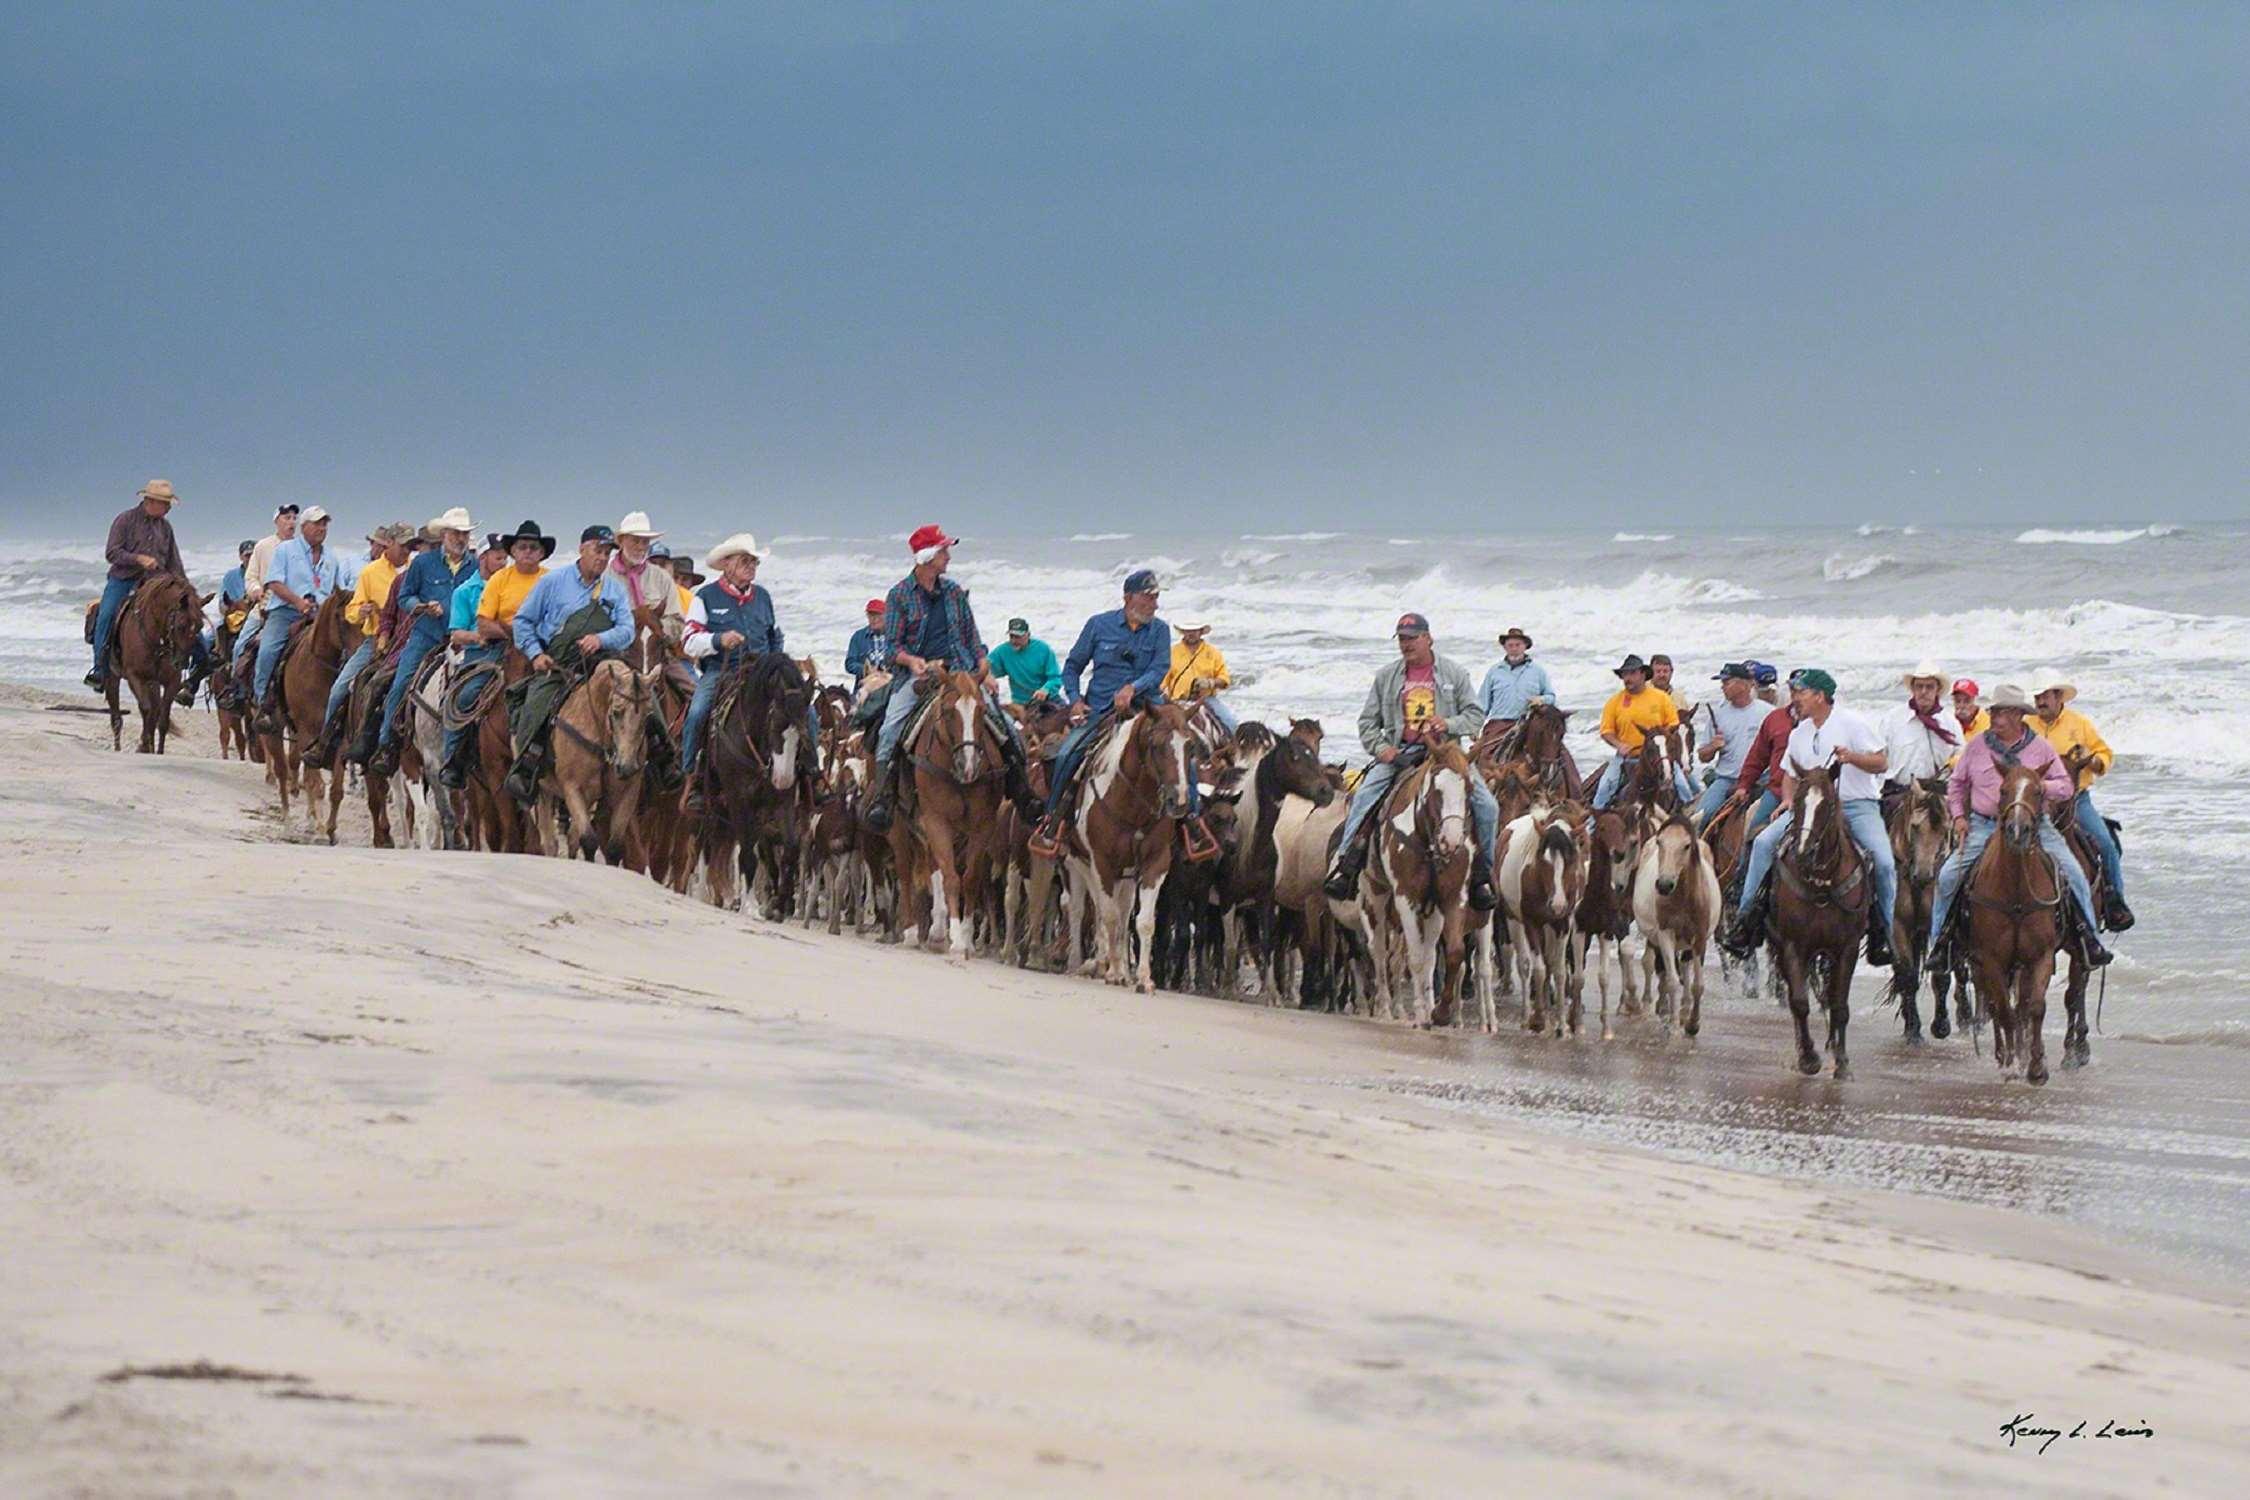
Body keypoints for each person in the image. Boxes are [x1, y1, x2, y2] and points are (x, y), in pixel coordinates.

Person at [862, 525, 1038, 831]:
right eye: (943, 550)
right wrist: (912, 661)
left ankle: (1022, 794)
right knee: (890, 727)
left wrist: (984, 665)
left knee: (1004, 725)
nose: (948, 556)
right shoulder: (900, 595)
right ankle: (884, 799)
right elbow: (892, 648)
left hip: (962, 675)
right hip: (918, 678)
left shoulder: (955, 592)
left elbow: (973, 637)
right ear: (927, 556)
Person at [1320, 612, 1499, 910]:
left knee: (1487, 806)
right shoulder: (1386, 677)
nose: (1406, 644)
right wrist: (1382, 750)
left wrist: (1449, 724)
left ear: (1428, 638)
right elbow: (1367, 722)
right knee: (1365, 796)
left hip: (1445, 754)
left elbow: (1475, 715)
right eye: (1402, 639)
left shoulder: (1454, 673)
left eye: (1412, 638)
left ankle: (1482, 874)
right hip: (1400, 753)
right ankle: (1345, 865)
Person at [1921, 683, 2109, 965]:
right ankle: (1941, 945)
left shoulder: (2041, 748)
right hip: (1985, 825)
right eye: (1994, 712)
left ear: (2019, 716)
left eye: (2003, 713)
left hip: (2036, 826)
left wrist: (2038, 786)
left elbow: (2065, 788)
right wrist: (1959, 817)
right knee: (1948, 876)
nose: (1995, 718)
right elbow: (1957, 785)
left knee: (2074, 872)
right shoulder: (1976, 747)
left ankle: (2088, 939)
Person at [1719, 668, 1896, 965]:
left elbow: (1881, 762)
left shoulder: (1852, 723)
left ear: (1820, 696)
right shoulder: (1799, 732)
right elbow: (1789, 774)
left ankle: (1886, 934)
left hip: (1855, 804)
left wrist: (1851, 757)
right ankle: (1746, 922)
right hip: (1809, 808)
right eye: (1794, 692)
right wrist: (1788, 799)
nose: (1794, 698)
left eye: (1800, 692)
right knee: (1763, 843)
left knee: (1884, 860)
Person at [1031, 570, 1178, 843]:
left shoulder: (1160, 630)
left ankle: (1190, 819)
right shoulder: (1098, 625)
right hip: (1101, 712)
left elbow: (1160, 668)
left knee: (1182, 749)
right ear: (1128, 598)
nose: (1155, 604)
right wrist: (1075, 700)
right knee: (1066, 755)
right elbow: (1073, 666)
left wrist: (1134, 687)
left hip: (1147, 711)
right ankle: (1053, 819)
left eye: (1156, 598)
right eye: (1148, 598)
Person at [500, 525, 637, 800]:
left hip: (603, 662)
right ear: (582, 549)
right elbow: (523, 621)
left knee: (641, 695)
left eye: (607, 552)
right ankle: (526, 767)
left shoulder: (614, 589)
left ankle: (663, 755)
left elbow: (627, 630)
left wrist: (601, 639)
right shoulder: (552, 582)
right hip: (559, 663)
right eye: (598, 550)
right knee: (536, 703)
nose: (602, 557)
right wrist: (536, 654)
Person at [364, 508, 481, 772]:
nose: (461, 539)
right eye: (456, 533)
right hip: (426, 636)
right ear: (444, 535)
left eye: (465, 534)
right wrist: (421, 606)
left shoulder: (476, 566)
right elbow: (404, 596)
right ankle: (386, 745)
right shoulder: (422, 564)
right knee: (400, 682)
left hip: (464, 639)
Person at [440, 520, 552, 787]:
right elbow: (483, 623)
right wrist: (514, 633)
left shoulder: (551, 579)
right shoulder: (499, 580)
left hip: (543, 648)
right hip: (497, 649)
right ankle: (455, 758)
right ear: (514, 551)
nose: (527, 551)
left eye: (533, 547)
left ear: (541, 552)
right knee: (466, 694)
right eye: (522, 546)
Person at [679, 533, 787, 798]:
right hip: (721, 670)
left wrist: (776, 665)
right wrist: (718, 639)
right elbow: (688, 641)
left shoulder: (763, 597)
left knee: (801, 711)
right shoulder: (705, 597)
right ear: (726, 564)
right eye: (745, 561)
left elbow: (774, 636)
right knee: (697, 713)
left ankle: (810, 775)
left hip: (762, 672)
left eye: (754, 561)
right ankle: (691, 776)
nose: (751, 566)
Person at [2029, 668, 2133, 929]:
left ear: (2058, 697)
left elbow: (2105, 755)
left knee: (2107, 845)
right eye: (2037, 696)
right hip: (2035, 799)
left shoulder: (2080, 724)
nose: (2040, 701)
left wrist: (2094, 760)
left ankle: (2114, 902)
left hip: (2076, 801)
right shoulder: (2026, 725)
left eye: (2045, 696)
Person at [311, 521, 413, 757]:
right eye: (403, 545)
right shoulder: (370, 573)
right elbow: (351, 611)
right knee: (339, 689)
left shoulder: (416, 569)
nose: (407, 550)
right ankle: (326, 743)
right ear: (389, 544)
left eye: (410, 546)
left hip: (410, 640)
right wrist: (362, 611)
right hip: (375, 641)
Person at [86, 479, 195, 691]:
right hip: (123, 579)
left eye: (168, 503)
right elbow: (112, 552)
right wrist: (138, 559)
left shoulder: (165, 527)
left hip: (155, 583)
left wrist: (186, 589)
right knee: (106, 615)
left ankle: (195, 664)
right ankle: (99, 669)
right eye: (165, 503)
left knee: (186, 617)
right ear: (150, 501)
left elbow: (174, 562)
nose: (168, 508)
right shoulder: (124, 520)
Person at [252, 505, 341, 728]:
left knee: (345, 648)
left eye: (325, 524)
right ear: (304, 527)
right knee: (268, 650)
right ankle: (263, 701)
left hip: (320, 615)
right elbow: (274, 582)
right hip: (286, 611)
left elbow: (336, 589)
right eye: (317, 523)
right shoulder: (286, 550)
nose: (322, 528)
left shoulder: (332, 557)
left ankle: (343, 704)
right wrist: (298, 602)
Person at [1590, 654, 1695, 810]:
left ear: (1643, 674)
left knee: (1683, 787)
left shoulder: (1661, 698)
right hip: (1628, 756)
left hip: (1659, 755)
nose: (1627, 678)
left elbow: (1673, 725)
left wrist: (1659, 740)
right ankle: (1593, 825)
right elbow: (1606, 731)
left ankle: (1690, 820)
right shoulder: (1614, 702)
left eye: (1632, 673)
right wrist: (1618, 745)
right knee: (1605, 788)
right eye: (1625, 674)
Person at [608, 511, 688, 677]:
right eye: (635, 540)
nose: (640, 546)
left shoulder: (661, 577)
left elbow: (678, 621)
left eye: (645, 542)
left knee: (691, 691)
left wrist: (657, 629)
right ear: (622, 541)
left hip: (657, 654)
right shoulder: (605, 578)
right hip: (613, 655)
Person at [229, 504, 300, 689]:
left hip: (296, 608)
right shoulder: (263, 546)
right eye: (287, 518)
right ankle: (237, 691)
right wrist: (255, 590)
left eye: (294, 518)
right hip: (265, 606)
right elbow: (250, 576)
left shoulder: (303, 548)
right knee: (240, 645)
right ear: (276, 521)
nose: (291, 522)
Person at [1692, 663, 1769, 826]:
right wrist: (1713, 747)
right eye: (1722, 683)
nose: (1722, 687)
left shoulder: (1767, 713)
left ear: (1744, 684)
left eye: (1727, 682)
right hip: (1727, 779)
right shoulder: (1719, 714)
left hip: (1762, 779)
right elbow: (1702, 756)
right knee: (1702, 817)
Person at [1879, 659, 1963, 800]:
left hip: (1938, 795)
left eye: (1929, 687)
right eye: (1919, 686)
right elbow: (1880, 758)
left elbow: (1962, 758)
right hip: (1898, 794)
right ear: (1913, 689)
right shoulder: (1892, 719)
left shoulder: (1950, 723)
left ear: (1937, 690)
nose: (1924, 692)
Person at [1476, 626, 1556, 737]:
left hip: (1529, 723)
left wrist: (1541, 699)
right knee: (1482, 751)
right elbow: (1482, 703)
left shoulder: (1538, 671)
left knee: (1555, 751)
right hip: (1499, 723)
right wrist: (1475, 727)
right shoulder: (1494, 671)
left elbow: (1551, 697)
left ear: (1525, 647)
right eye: (1510, 645)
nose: (1514, 649)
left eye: (1518, 645)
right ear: (1505, 647)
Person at [1161, 619, 1236, 731]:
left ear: (1201, 632)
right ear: (1182, 632)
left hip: (1207, 700)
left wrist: (1210, 683)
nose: (1191, 634)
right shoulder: (1171, 652)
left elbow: (1224, 679)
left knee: (1230, 722)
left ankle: (1231, 747)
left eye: (1194, 630)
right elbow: (1162, 680)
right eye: (1187, 631)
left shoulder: (1213, 652)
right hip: (1178, 700)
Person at [986, 616, 1064, 706]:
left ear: (1028, 634)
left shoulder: (1043, 650)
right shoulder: (1002, 651)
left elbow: (1056, 678)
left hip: (1048, 700)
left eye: (1018, 637)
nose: (1014, 640)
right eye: (1012, 636)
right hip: (1021, 704)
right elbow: (984, 667)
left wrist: (1046, 689)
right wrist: (988, 676)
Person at [842, 599, 889, 682]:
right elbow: (850, 664)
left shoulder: (895, 635)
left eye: (878, 615)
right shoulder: (858, 637)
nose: (874, 619)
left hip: (890, 681)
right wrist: (866, 669)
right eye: (871, 615)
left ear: (886, 616)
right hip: (866, 682)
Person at [1948, 678, 1989, 759]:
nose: (1961, 706)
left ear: (1976, 700)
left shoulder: (1988, 723)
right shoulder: (1948, 724)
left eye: (1967, 701)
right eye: (1957, 701)